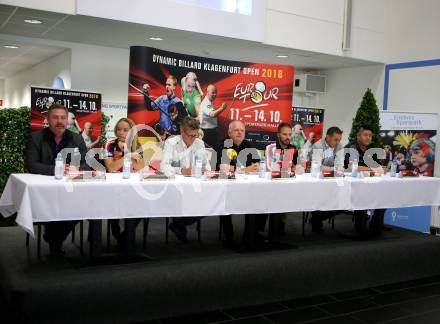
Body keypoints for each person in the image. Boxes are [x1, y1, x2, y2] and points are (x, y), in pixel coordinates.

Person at [26, 104, 89, 255]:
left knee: (82, 207)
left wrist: (76, 168)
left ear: (67, 120)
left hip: (70, 190)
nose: (59, 121)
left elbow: (87, 162)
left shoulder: (76, 138)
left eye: (63, 118)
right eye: (55, 117)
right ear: (47, 119)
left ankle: (54, 238)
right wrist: (57, 170)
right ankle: (55, 240)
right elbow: (31, 165)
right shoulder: (36, 137)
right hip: (45, 192)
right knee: (51, 207)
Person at [160, 117, 210, 242]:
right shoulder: (171, 142)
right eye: (190, 135)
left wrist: (205, 169)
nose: (194, 138)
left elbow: (207, 165)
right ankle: (179, 223)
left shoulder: (199, 143)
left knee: (211, 203)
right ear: (182, 132)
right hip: (177, 187)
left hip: (196, 186)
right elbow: (164, 166)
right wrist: (182, 171)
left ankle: (179, 224)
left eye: (196, 135)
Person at [216, 120, 264, 248]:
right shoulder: (224, 144)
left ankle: (252, 232)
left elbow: (258, 165)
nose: (239, 133)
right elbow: (223, 167)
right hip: (228, 186)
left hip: (248, 186)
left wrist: (243, 168)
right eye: (236, 130)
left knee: (261, 198)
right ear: (229, 132)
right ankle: (229, 235)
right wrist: (245, 169)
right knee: (225, 202)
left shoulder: (248, 144)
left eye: (242, 130)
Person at [104, 118, 144, 244]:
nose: (121, 133)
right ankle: (116, 232)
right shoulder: (109, 144)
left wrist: (127, 150)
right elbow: (110, 168)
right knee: (113, 205)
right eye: (119, 129)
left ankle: (125, 235)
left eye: (125, 130)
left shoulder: (137, 145)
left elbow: (140, 168)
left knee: (144, 205)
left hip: (132, 186)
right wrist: (128, 156)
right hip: (112, 187)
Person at [344, 125, 387, 237]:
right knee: (362, 197)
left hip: (366, 183)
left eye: (370, 136)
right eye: (365, 135)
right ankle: (360, 229)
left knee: (384, 196)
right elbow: (354, 167)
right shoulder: (351, 148)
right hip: (349, 184)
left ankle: (376, 226)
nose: (368, 138)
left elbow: (375, 166)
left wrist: (382, 168)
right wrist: (372, 169)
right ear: (358, 136)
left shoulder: (369, 150)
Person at [308, 127, 344, 232]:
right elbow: (317, 167)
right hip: (318, 181)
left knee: (343, 200)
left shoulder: (340, 146)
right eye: (336, 140)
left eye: (339, 140)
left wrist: (335, 170)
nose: (338, 142)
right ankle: (316, 218)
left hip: (333, 180)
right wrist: (335, 170)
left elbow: (340, 166)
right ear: (327, 137)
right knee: (320, 196)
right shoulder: (317, 146)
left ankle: (316, 218)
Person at [265, 123, 298, 235]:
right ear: (278, 135)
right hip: (270, 184)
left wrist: (295, 167)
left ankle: (280, 225)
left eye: (289, 134)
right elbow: (270, 168)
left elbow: (296, 167)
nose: (288, 137)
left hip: (286, 183)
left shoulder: (293, 148)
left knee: (287, 195)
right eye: (284, 134)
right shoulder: (270, 147)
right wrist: (288, 169)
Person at [200, 84, 227, 148]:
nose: (215, 94)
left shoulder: (209, 102)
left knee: (213, 152)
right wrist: (222, 108)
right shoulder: (206, 103)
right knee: (209, 152)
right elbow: (212, 114)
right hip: (207, 133)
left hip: (211, 132)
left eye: (215, 93)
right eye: (213, 93)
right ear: (207, 92)